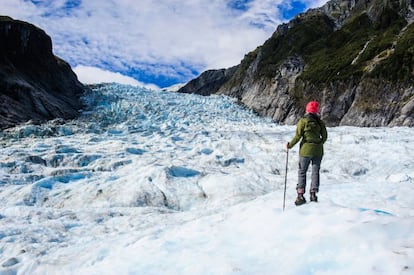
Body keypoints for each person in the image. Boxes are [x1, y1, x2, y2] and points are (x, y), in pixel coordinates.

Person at [286, 101, 328, 206]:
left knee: (302, 172)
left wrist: (289, 145)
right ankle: (313, 194)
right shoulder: (320, 122)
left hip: (305, 150)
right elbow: (325, 136)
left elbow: (298, 136)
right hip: (318, 150)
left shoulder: (303, 121)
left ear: (307, 110)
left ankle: (300, 195)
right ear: (316, 111)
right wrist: (318, 143)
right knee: (315, 172)